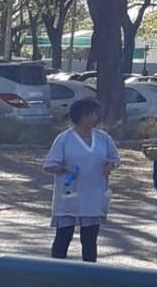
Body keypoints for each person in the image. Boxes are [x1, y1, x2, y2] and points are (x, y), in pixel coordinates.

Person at [43, 98, 119, 262]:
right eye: (92, 114)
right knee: (64, 237)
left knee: (90, 240)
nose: (95, 117)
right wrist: (64, 169)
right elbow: (49, 165)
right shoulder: (64, 139)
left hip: (93, 194)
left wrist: (110, 165)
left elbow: (114, 158)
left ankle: (90, 276)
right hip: (70, 194)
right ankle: (56, 273)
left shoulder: (102, 138)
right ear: (82, 116)